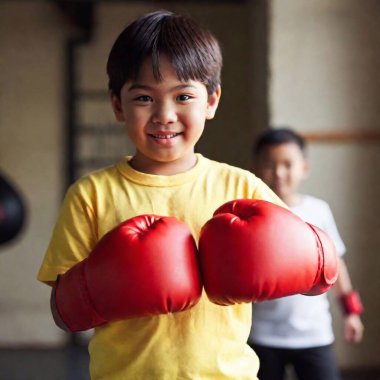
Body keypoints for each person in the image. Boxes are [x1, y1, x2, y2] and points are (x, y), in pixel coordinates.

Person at [37, 11, 337, 380]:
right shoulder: (91, 195)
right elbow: (62, 310)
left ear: (211, 101)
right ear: (118, 105)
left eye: (183, 96)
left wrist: (306, 264)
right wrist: (113, 280)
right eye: (144, 97)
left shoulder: (243, 187)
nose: (165, 115)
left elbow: (314, 275)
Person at [248, 127, 364, 380]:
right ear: (256, 167)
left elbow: (336, 265)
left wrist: (351, 312)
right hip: (262, 333)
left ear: (304, 168)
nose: (278, 173)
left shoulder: (318, 210)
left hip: (314, 333)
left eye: (287, 164)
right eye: (269, 164)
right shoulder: (248, 212)